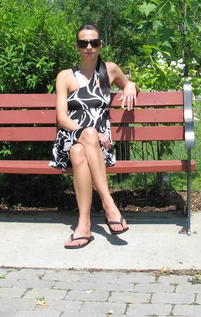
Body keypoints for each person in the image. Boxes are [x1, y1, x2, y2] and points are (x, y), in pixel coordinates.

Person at [49, 23, 139, 249]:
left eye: (94, 42)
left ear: (100, 45)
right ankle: (109, 205)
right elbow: (62, 118)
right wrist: (89, 132)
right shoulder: (65, 76)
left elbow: (129, 85)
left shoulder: (110, 70)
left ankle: (84, 226)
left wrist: (130, 85)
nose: (89, 47)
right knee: (84, 139)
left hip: (100, 148)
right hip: (70, 137)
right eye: (83, 43)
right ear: (77, 47)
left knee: (80, 153)